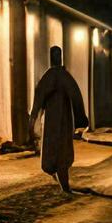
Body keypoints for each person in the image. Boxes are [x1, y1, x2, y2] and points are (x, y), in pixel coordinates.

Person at [30, 45, 88, 193]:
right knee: (58, 152)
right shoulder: (59, 76)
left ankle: (64, 184)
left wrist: (34, 114)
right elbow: (75, 96)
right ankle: (63, 182)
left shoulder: (53, 76)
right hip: (56, 121)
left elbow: (74, 96)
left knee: (60, 152)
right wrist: (34, 114)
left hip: (59, 121)